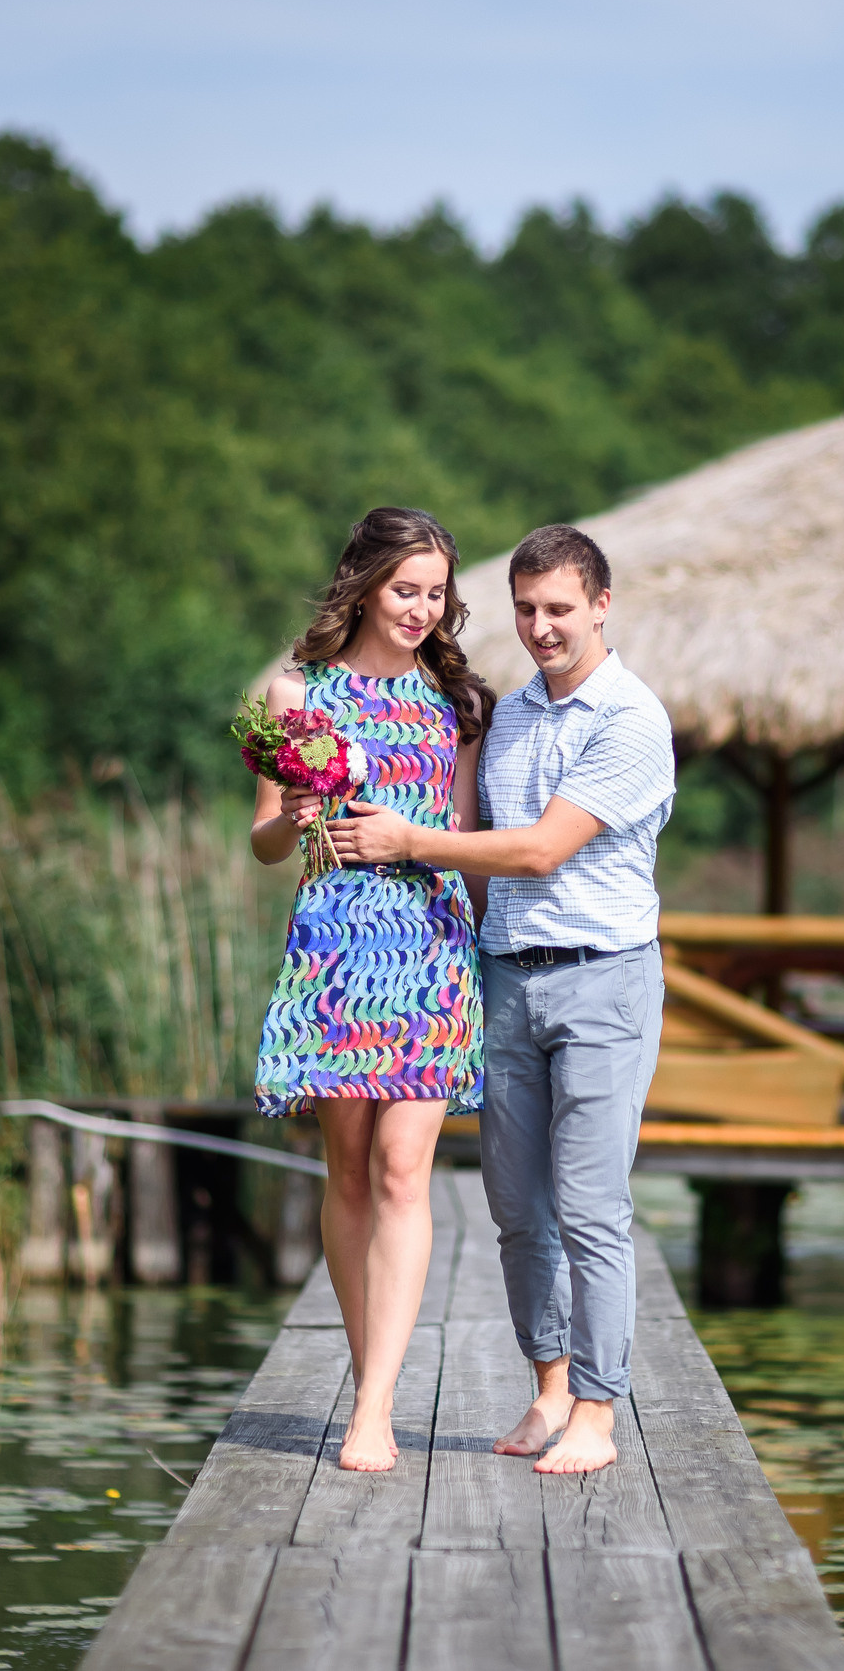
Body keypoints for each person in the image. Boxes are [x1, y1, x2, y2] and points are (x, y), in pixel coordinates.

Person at [329, 524, 673, 1475]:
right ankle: (551, 1387)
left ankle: (598, 1415)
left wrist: (408, 843)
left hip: (604, 978)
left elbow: (537, 849)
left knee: (592, 1205)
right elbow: (488, 859)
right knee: (517, 1205)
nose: (541, 627)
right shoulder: (511, 713)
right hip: (507, 977)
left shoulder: (632, 719)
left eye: (559, 609)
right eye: (525, 609)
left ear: (602, 605)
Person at [249, 507, 492, 1473]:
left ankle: (375, 1408)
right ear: (363, 583)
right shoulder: (295, 690)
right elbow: (268, 839)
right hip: (337, 948)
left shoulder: (458, 698)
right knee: (346, 1173)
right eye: (407, 590)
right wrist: (296, 814)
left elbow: (467, 835)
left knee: (402, 1169)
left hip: (432, 946)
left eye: (436, 594)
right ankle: (368, 1375)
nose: (423, 610)